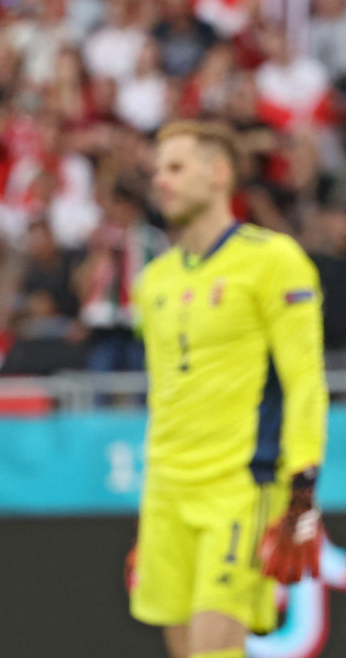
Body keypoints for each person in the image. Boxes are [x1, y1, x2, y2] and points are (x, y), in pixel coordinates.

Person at [127, 120, 327, 658]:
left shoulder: (274, 261)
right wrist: (150, 520)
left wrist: (303, 486)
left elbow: (304, 379)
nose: (160, 181)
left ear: (218, 174)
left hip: (239, 488)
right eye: (156, 171)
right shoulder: (154, 282)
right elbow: (166, 394)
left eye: (175, 168)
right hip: (167, 491)